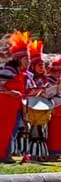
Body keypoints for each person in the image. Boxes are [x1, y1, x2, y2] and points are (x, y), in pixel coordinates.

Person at [0, 32, 30, 163]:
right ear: (18, 59)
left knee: (11, 132)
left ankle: (6, 156)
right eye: (26, 59)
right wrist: (10, 92)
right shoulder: (8, 70)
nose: (28, 62)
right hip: (4, 107)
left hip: (14, 108)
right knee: (5, 131)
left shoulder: (22, 73)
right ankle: (4, 157)